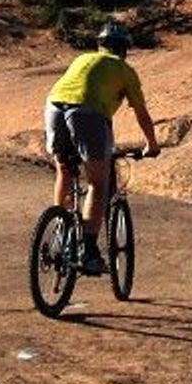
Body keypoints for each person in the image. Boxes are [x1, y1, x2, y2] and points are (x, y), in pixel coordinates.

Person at [43, 22, 159, 274]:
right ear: (124, 50)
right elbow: (142, 114)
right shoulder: (125, 70)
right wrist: (152, 144)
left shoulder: (82, 59)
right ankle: (88, 250)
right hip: (87, 112)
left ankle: (62, 231)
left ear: (100, 46)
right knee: (99, 182)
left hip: (53, 106)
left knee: (65, 171)